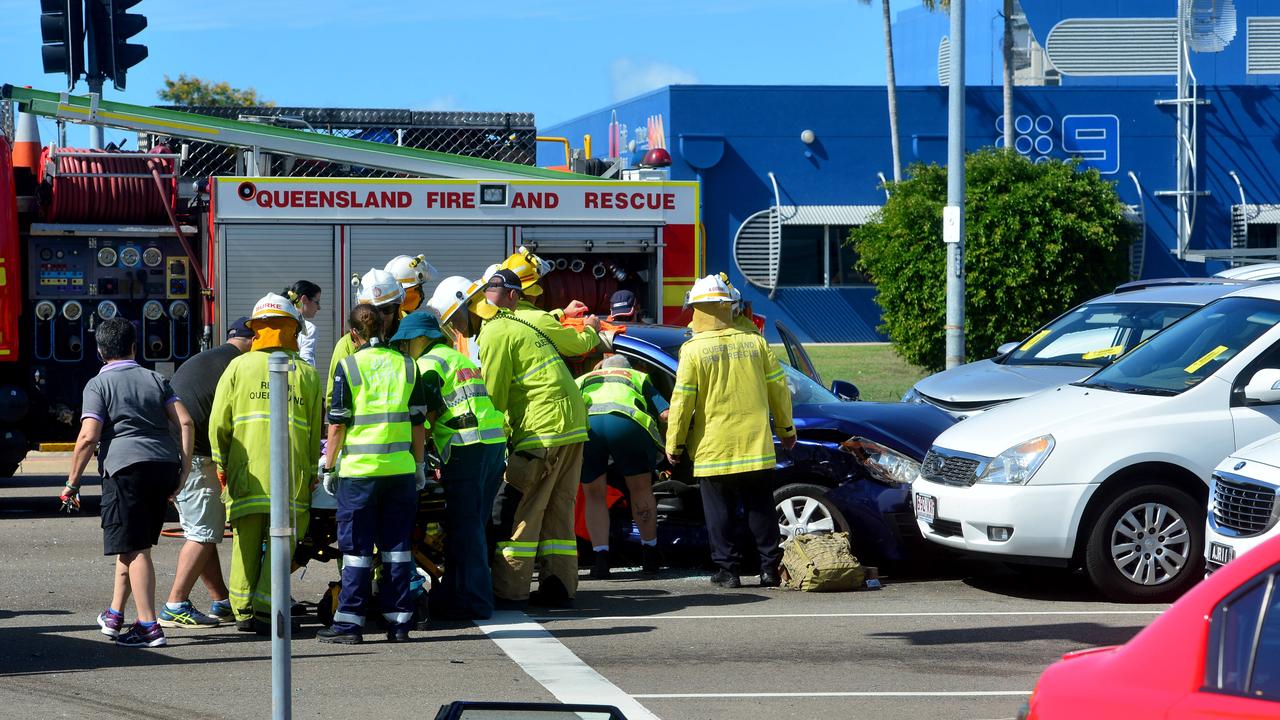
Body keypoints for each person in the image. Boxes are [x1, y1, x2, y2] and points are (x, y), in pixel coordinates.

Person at [61, 317, 194, 648]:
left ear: (100, 350)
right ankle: (115, 615)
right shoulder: (155, 378)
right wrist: (184, 468)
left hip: (125, 468)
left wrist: (72, 484)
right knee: (133, 545)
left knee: (134, 549)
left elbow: (88, 437)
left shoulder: (97, 384)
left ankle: (149, 626)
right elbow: (186, 421)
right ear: (135, 347)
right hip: (163, 466)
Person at [318, 269, 430, 645]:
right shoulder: (408, 365)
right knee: (398, 551)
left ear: (354, 333)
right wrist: (417, 465)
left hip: (359, 475)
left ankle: (349, 624)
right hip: (399, 473)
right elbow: (418, 423)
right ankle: (399, 623)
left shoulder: (349, 366)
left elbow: (337, 424)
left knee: (357, 552)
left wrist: (328, 467)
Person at [665, 274, 797, 589]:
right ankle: (768, 570)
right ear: (729, 306)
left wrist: (674, 444)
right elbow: (778, 390)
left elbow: (682, 402)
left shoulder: (693, 350)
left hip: (714, 450)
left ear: (696, 308)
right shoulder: (756, 343)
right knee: (760, 509)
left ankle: (728, 572)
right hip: (755, 446)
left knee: (719, 513)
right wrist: (786, 429)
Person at [478, 268, 599, 609]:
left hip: (541, 429)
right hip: (571, 424)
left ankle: (510, 590)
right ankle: (558, 587)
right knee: (559, 509)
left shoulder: (497, 331)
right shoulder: (530, 323)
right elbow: (570, 343)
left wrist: (494, 439)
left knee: (524, 508)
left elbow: (494, 394)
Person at [210, 294, 322, 634]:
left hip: (247, 476)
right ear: (293, 330)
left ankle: (242, 610)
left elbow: (219, 423)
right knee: (282, 545)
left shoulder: (238, 367)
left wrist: (221, 464)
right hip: (291, 480)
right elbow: (316, 429)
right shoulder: (306, 374)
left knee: (244, 545)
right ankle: (266, 611)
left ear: (256, 330)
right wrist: (314, 473)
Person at [390, 310, 506, 620]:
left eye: (406, 343)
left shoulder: (428, 365)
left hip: (465, 447)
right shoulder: (460, 359)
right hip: (492, 445)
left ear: (420, 339)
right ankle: (455, 593)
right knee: (472, 526)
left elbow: (423, 419)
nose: (404, 349)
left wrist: (411, 453)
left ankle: (476, 602)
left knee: (465, 528)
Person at [157, 317, 253, 629]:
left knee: (205, 530)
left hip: (177, 454)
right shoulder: (240, 366)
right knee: (201, 535)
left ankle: (222, 601)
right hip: (195, 458)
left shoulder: (211, 358)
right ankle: (175, 603)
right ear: (253, 340)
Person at [577, 354, 668, 579]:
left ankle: (601, 561)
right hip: (626, 425)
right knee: (640, 489)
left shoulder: (584, 378)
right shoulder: (638, 376)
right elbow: (665, 414)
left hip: (590, 428)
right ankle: (650, 556)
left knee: (594, 494)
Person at [327, 254, 433, 403]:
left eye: (387, 309)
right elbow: (334, 399)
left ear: (397, 307)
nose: (380, 317)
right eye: (373, 310)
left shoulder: (412, 339)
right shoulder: (346, 345)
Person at [284, 280, 322, 366]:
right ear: (304, 299)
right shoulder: (307, 328)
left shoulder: (278, 321)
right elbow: (307, 364)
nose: (319, 307)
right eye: (317, 302)